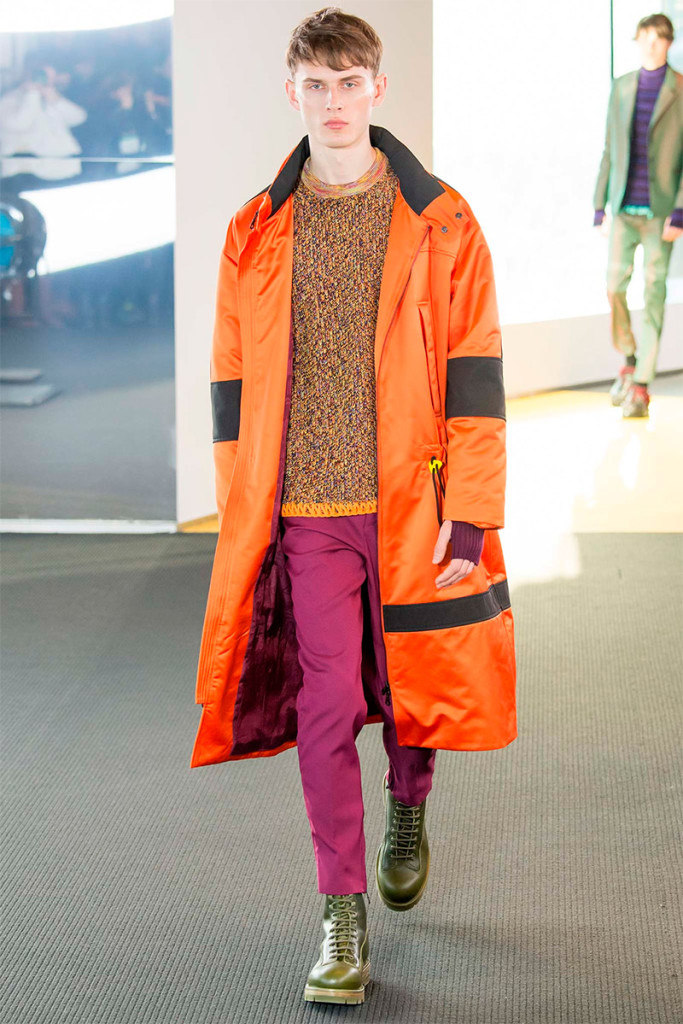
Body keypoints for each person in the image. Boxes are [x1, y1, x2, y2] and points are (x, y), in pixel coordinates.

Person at [192, 6, 516, 1005]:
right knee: (326, 702)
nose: (332, 102)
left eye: (348, 83)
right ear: (290, 93)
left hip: (413, 504)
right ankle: (340, 915)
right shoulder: (253, 230)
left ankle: (408, 802)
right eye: (314, 85)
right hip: (304, 512)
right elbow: (231, 389)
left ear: (376, 88)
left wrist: (472, 509)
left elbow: (474, 370)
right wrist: (242, 515)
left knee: (411, 683)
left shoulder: (443, 220)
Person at [594, 12, 683, 418]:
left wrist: (680, 209)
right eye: (645, 36)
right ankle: (629, 359)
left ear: (668, 43)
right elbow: (610, 148)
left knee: (653, 294)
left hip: (662, 213)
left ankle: (642, 384)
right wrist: (599, 203)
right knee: (614, 286)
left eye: (659, 37)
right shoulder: (622, 86)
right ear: (637, 40)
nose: (651, 43)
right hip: (623, 208)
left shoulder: (679, 89)